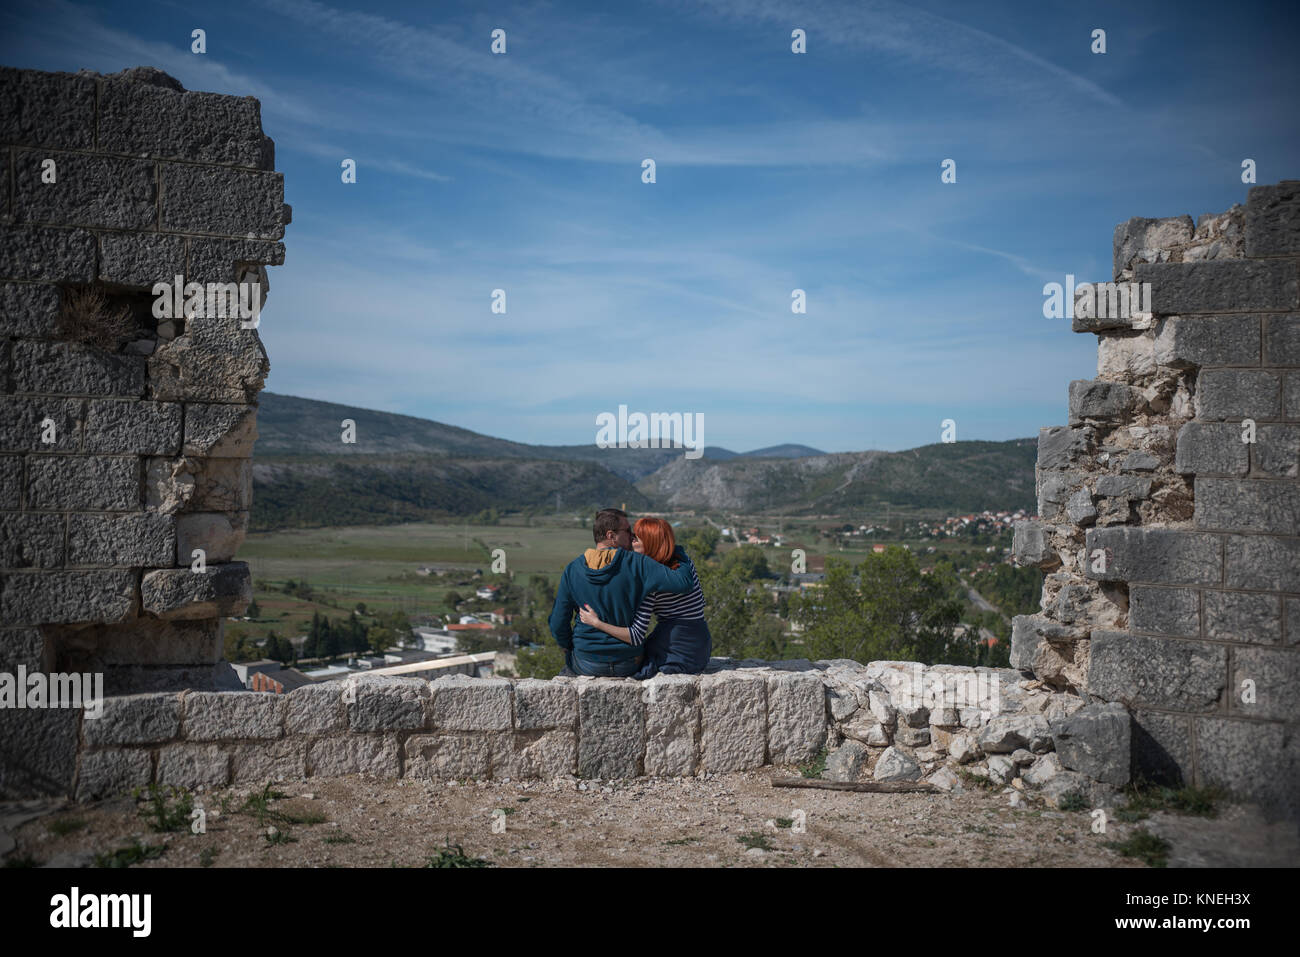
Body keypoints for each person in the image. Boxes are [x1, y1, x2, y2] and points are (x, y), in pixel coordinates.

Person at [548, 508, 697, 677]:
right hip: (629, 662)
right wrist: (678, 551)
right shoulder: (638, 563)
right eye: (627, 530)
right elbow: (683, 583)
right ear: (611, 535)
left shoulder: (573, 569)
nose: (632, 535)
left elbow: (558, 621)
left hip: (588, 661)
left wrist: (568, 645)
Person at [577, 517, 711, 680]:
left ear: (650, 543)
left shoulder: (651, 581)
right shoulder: (684, 563)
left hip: (676, 649)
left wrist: (596, 623)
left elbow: (635, 635)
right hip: (700, 645)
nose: (630, 540)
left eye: (636, 538)